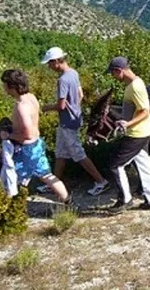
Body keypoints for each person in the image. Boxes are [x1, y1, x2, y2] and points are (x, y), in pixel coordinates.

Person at [38, 47, 109, 196]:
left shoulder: (62, 79)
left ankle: (101, 181)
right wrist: (75, 107)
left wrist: (44, 108)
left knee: (78, 154)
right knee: (61, 154)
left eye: (50, 64)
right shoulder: (74, 73)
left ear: (57, 61)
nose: (49, 67)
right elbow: (80, 94)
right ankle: (54, 184)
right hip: (74, 119)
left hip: (67, 122)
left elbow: (61, 105)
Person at [0, 69, 72, 204]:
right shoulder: (31, 97)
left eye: (4, 84)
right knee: (46, 175)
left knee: (11, 177)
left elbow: (27, 133)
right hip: (37, 144)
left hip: (26, 149)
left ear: (11, 85)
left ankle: (10, 211)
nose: (3, 88)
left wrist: (8, 135)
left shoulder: (21, 106)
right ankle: (68, 202)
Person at [106, 57, 150, 212]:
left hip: (137, 134)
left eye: (113, 73)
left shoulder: (135, 87)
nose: (113, 76)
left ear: (119, 70)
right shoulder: (135, 83)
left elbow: (145, 111)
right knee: (144, 165)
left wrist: (127, 124)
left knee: (115, 165)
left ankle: (125, 200)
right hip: (144, 132)